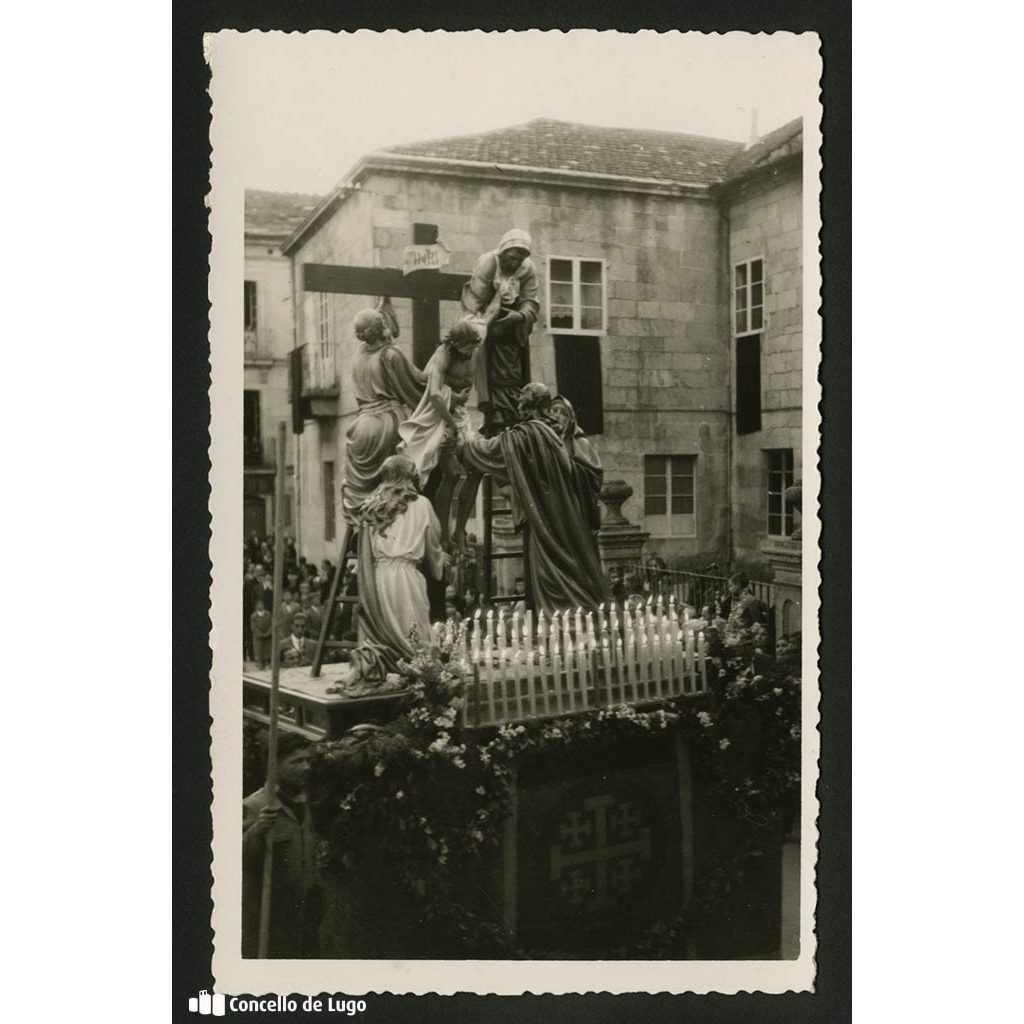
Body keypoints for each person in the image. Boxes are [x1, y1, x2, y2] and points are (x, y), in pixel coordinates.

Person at [456, 382, 609, 614]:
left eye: (524, 394)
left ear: (535, 402)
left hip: (547, 518)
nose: (518, 398)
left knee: (550, 573)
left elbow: (488, 450)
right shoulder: (548, 433)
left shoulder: (528, 434)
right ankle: (576, 616)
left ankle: (561, 620)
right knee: (566, 566)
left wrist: (462, 444)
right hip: (560, 514)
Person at [355, 455, 447, 677]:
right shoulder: (422, 504)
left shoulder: (371, 505)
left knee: (383, 629)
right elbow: (433, 545)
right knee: (412, 630)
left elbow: (364, 552)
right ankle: (415, 677)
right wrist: (440, 562)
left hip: (378, 578)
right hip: (406, 576)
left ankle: (386, 672)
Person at [342, 308, 427, 522]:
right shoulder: (390, 355)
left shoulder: (358, 356)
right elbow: (415, 387)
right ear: (381, 327)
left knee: (369, 489)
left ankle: (363, 526)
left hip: (360, 427)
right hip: (387, 423)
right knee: (399, 481)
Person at [242, 732, 322, 958]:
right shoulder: (255, 806)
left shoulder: (304, 802)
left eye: (307, 760)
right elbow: (235, 858)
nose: (306, 767)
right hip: (270, 917)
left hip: (305, 913)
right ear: (274, 766)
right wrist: (258, 829)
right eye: (296, 762)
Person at [461, 229, 540, 436]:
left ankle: (514, 419)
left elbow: (531, 301)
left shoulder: (527, 269)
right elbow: (474, 300)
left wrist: (520, 316)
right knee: (493, 382)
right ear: (504, 251)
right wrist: (482, 324)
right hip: (489, 330)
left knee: (515, 379)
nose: (515, 264)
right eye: (512, 257)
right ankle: (495, 421)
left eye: (520, 259)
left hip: (514, 333)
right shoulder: (489, 263)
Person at [250, 598, 273, 670]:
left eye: (261, 604)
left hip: (268, 637)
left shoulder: (268, 614)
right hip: (258, 638)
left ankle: (268, 664)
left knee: (267, 652)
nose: (260, 606)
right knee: (259, 651)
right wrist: (260, 634)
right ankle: (260, 665)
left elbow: (272, 624)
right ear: (256, 606)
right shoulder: (253, 616)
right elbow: (253, 627)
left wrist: (267, 633)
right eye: (258, 604)